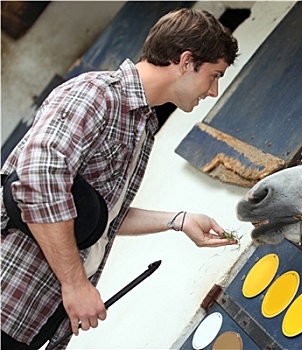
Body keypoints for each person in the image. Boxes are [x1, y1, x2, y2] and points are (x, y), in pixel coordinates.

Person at [1, 8, 239, 350]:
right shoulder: (98, 94)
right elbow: (38, 180)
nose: (213, 91)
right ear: (186, 61)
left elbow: (103, 214)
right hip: (9, 297)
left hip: (33, 320)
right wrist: (75, 283)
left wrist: (178, 221)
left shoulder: (141, 123)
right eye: (213, 75)